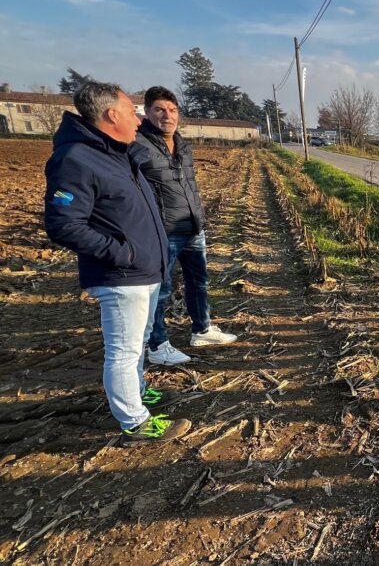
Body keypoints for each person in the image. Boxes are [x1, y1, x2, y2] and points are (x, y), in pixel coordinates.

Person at [44, 81, 190, 444]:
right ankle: (135, 422)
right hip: (123, 275)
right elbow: (64, 224)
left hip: (144, 271)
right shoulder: (76, 159)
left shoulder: (116, 152)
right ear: (111, 115)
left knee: (137, 341)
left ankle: (136, 391)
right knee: (124, 350)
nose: (138, 120)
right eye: (131, 112)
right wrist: (122, 253)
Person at [137, 86, 237, 366]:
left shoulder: (182, 145)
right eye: (159, 109)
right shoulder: (137, 145)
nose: (167, 116)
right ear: (147, 112)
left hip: (192, 227)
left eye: (172, 110)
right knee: (161, 290)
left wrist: (198, 219)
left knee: (199, 282)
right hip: (163, 231)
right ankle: (157, 345)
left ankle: (202, 330)